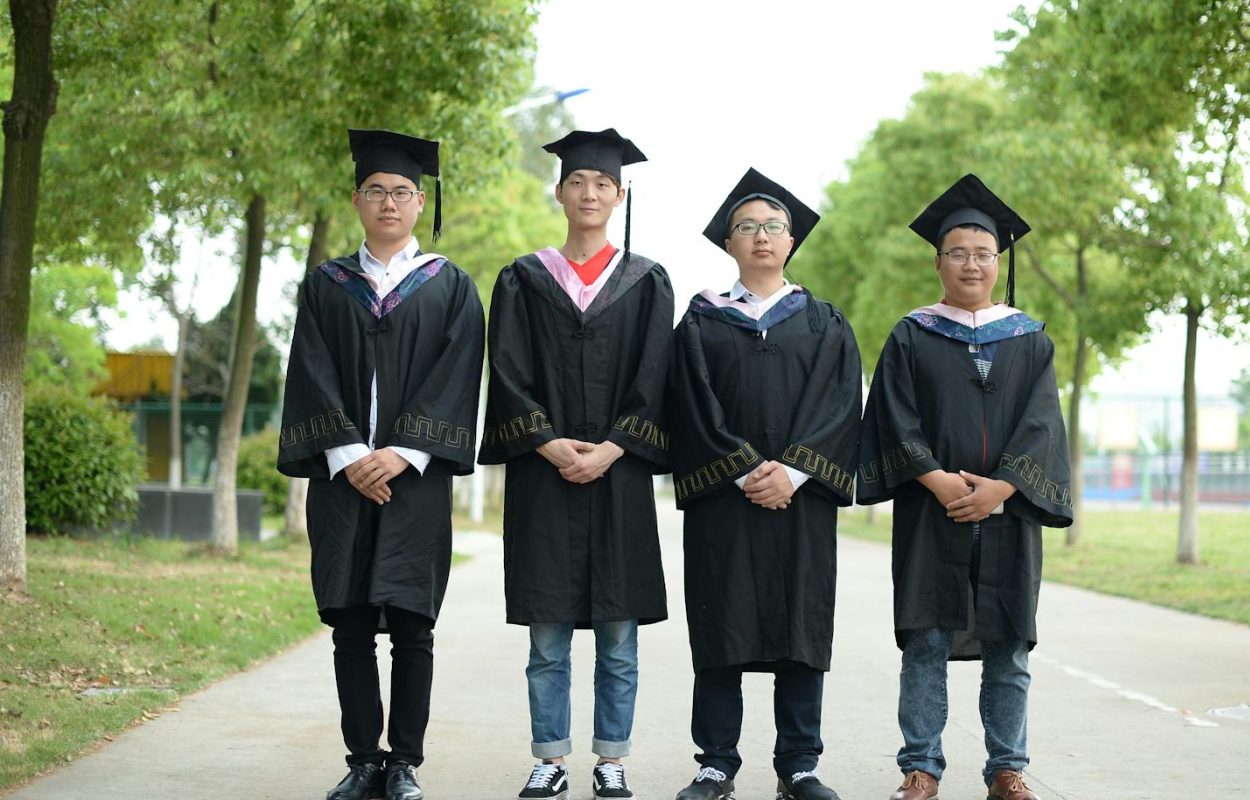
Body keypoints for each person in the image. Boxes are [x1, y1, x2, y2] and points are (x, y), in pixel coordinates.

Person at [278, 129, 485, 800]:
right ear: (357, 200)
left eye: (400, 192)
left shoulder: (450, 286)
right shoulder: (326, 285)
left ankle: (405, 764)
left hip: (414, 480)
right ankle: (363, 759)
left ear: (420, 202)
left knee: (413, 627)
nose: (388, 202)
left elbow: (457, 376)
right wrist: (347, 453)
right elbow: (309, 371)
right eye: (376, 191)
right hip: (344, 480)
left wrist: (402, 452)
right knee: (352, 625)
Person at [856, 174, 1073, 800]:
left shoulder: (1029, 339)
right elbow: (894, 414)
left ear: (997, 262)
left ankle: (1007, 767)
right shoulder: (912, 334)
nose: (971, 263)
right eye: (958, 252)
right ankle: (920, 766)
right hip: (932, 510)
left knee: (1008, 642)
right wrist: (936, 479)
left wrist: (1001, 488)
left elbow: (1042, 425)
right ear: (939, 262)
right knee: (926, 637)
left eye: (982, 254)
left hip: (1010, 514)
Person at [478, 128, 673, 800]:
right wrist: (547, 441)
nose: (589, 192)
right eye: (578, 182)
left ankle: (612, 758)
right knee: (547, 635)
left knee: (619, 636)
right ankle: (550, 758)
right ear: (560, 192)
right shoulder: (523, 278)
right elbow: (506, 371)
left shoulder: (647, 281)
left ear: (619, 195)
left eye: (602, 184)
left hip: (618, 478)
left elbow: (656, 377)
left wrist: (617, 446)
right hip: (544, 474)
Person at [666, 168, 862, 800]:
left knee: (800, 626)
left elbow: (840, 407)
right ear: (729, 243)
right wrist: (747, 468)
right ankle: (716, 762)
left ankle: (799, 764)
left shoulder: (827, 322)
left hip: (800, 503)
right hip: (727, 500)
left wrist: (796, 471)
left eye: (773, 227)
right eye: (746, 227)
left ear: (791, 241)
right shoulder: (699, 322)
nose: (761, 237)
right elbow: (691, 406)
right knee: (720, 624)